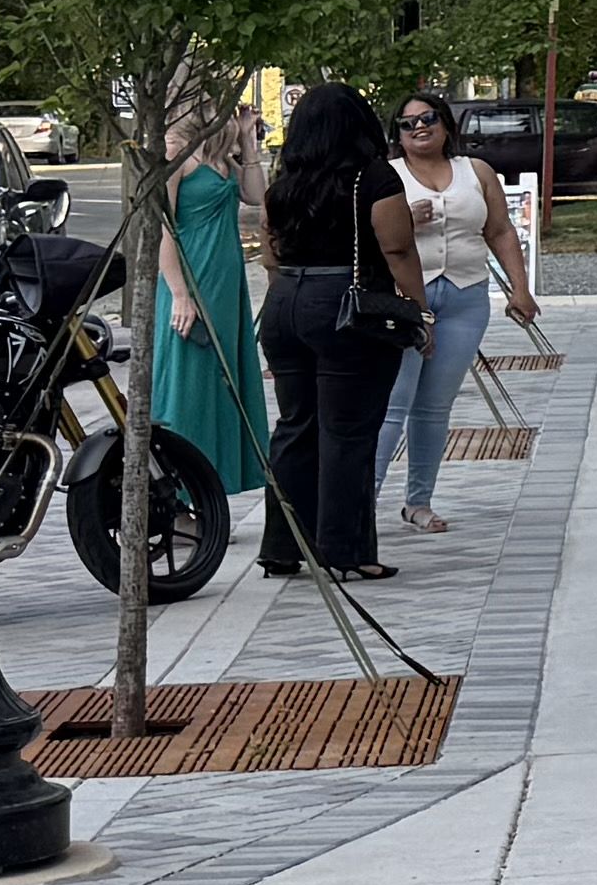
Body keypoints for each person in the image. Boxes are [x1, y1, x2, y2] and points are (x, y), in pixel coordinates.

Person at [252, 80, 426, 583]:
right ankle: (346, 550)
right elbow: (396, 250)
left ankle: (283, 545)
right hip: (345, 307)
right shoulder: (373, 179)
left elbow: (270, 254)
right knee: (348, 431)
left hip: (285, 303)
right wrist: (418, 311)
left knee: (294, 425)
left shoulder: (282, 183)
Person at [380, 95, 541, 532]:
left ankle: (419, 501)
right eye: (407, 123)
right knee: (393, 404)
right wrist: (405, 219)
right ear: (396, 134)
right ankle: (361, 502)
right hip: (407, 299)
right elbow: (369, 239)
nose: (419, 128)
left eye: (428, 118)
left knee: (434, 406)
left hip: (465, 295)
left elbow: (501, 230)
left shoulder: (477, 172)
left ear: (446, 124)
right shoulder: (386, 177)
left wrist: (520, 289)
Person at [150, 86, 267, 539]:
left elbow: (256, 196)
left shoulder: (220, 152)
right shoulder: (175, 151)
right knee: (187, 388)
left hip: (225, 286)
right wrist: (179, 292)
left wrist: (249, 141)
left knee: (222, 385)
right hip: (191, 279)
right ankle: (176, 501)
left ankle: (210, 495)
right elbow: (163, 230)